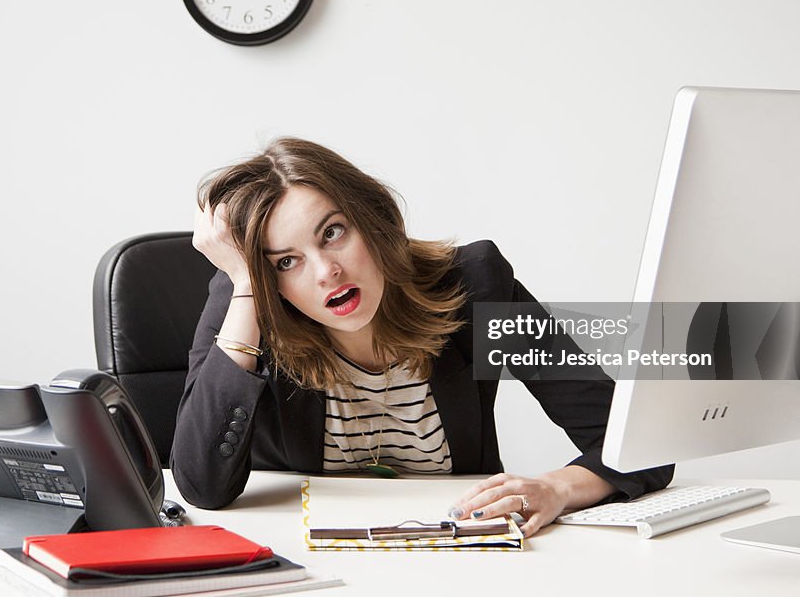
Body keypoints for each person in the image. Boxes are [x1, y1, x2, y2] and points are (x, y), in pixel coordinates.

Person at [170, 138, 671, 536]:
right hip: (308, 564)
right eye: (286, 261)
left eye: (333, 232)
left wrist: (556, 488)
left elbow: (638, 444)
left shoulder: (475, 285)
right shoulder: (248, 304)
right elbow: (202, 486)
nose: (327, 271)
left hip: (463, 556)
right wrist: (246, 291)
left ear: (373, 221)